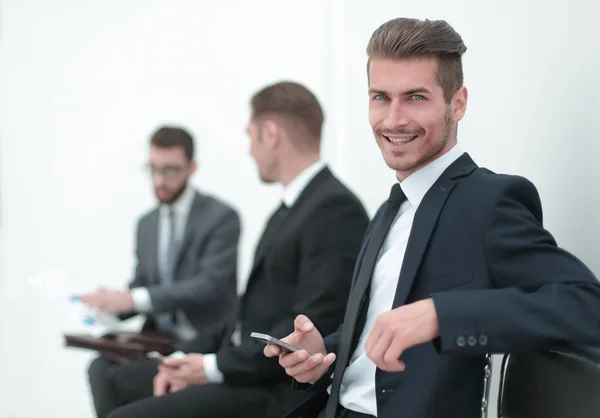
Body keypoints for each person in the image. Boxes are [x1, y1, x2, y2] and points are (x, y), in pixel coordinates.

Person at [266, 18, 600, 418]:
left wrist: (440, 314)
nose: (393, 119)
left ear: (457, 103)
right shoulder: (389, 210)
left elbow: (587, 306)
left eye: (416, 97)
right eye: (380, 97)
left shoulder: (489, 201)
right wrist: (323, 353)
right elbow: (379, 332)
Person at [105, 81, 370, 418]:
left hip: (276, 389)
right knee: (113, 378)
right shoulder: (293, 208)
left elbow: (306, 330)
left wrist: (212, 367)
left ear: (270, 134)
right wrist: (182, 358)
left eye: (250, 136)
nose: (249, 150)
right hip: (247, 367)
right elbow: (248, 313)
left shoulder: (333, 209)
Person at [83, 126, 241, 418]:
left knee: (114, 381)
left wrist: (135, 298)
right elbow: (143, 285)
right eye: (153, 169)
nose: (159, 180)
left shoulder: (221, 218)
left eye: (169, 170)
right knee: (99, 367)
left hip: (202, 343)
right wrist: (108, 306)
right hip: (157, 341)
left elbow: (210, 285)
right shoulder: (147, 224)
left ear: (192, 168)